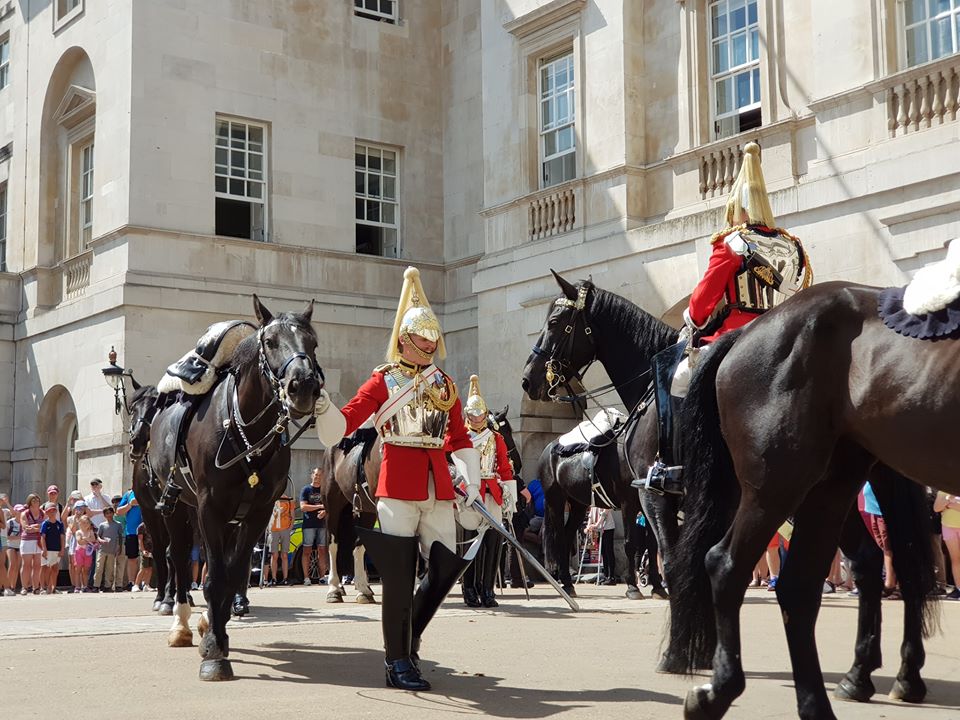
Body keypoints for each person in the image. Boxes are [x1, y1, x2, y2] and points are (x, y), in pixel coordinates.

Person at [313, 266, 482, 692]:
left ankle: (410, 637)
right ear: (405, 340)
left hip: (438, 486)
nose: (430, 344)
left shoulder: (445, 384)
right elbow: (348, 418)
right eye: (422, 339)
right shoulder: (383, 379)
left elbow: (459, 438)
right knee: (401, 573)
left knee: (446, 567)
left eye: (433, 339)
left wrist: (470, 478)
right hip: (397, 483)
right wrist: (323, 409)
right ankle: (397, 660)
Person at [644, 142, 811, 493]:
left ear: (736, 208)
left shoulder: (733, 243)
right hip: (784, 337)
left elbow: (701, 305)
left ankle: (673, 466)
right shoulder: (793, 246)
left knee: (678, 377)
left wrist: (692, 317)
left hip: (738, 338)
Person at [459, 374, 516, 608]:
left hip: (492, 492)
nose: (476, 418)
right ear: (467, 415)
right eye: (472, 414)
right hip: (469, 494)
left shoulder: (496, 438)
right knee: (471, 543)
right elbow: (452, 463)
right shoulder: (460, 438)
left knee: (492, 544)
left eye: (480, 414)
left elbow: (504, 467)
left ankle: (488, 589)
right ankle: (469, 588)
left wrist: (510, 497)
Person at [299, 469, 328, 585]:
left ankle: (322, 577)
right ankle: (306, 578)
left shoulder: (325, 490)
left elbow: (330, 505)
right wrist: (320, 506)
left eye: (320, 475)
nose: (317, 477)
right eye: (316, 475)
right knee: (307, 551)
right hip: (309, 525)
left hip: (323, 525)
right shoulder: (306, 489)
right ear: (312, 475)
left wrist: (325, 511)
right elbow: (303, 507)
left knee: (322, 551)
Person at [934, 490, 960, 600]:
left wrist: (948, 504)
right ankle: (959, 588)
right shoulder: (943, 488)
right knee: (955, 559)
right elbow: (936, 508)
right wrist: (950, 501)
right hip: (948, 526)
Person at [266, 493, 295, 586]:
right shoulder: (271, 498)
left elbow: (292, 515)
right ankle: (273, 578)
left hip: (285, 529)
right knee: (274, 555)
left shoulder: (288, 500)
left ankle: (285, 578)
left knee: (284, 555)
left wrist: (290, 527)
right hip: (273, 530)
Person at [117, 488, 142, 591]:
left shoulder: (146, 491)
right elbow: (118, 512)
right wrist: (130, 505)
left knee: (147, 558)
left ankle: (144, 583)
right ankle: (132, 582)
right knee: (132, 558)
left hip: (146, 531)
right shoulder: (128, 494)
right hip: (131, 531)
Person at [94, 506, 124, 592]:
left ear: (113, 513)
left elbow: (120, 537)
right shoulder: (102, 525)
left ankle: (108, 586)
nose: (109, 515)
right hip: (102, 549)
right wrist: (101, 540)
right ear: (104, 515)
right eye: (107, 513)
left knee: (109, 568)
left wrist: (119, 547)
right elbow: (98, 536)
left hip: (112, 550)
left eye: (110, 513)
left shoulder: (118, 524)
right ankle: (96, 585)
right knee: (99, 567)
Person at [585, 505, 617, 585]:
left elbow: (604, 513)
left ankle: (611, 576)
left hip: (607, 528)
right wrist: (588, 526)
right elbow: (591, 515)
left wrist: (596, 525)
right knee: (603, 552)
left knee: (608, 551)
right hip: (599, 529)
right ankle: (606, 575)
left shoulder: (604, 502)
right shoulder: (593, 503)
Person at [19, 494, 44, 595]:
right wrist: (37, 527)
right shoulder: (25, 514)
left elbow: (45, 527)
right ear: (29, 502)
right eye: (33, 500)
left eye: (37, 500)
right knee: (26, 565)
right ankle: (24, 587)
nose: (36, 502)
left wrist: (34, 528)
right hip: (27, 541)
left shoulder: (43, 513)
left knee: (37, 565)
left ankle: (36, 587)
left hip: (38, 541)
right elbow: (26, 528)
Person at [38, 502, 65, 594]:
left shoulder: (60, 524)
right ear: (46, 512)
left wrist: (62, 549)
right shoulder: (45, 524)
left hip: (56, 550)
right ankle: (42, 588)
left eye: (54, 510)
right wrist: (44, 549)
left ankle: (52, 587)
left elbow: (62, 537)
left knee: (55, 568)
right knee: (44, 568)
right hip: (47, 549)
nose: (52, 512)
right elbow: (42, 537)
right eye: (50, 510)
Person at [5, 502, 22, 594]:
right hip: (10, 545)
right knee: (12, 564)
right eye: (18, 511)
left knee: (17, 567)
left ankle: (13, 587)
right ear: (15, 512)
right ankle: (7, 587)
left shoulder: (24, 522)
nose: (20, 512)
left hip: (20, 546)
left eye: (21, 511)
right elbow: (6, 536)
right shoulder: (10, 522)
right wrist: (19, 537)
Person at [135, 521, 154, 592]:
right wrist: (143, 550)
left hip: (152, 550)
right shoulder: (141, 526)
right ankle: (136, 585)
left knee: (150, 568)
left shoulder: (153, 525)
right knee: (143, 568)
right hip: (144, 550)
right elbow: (140, 540)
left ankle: (146, 585)